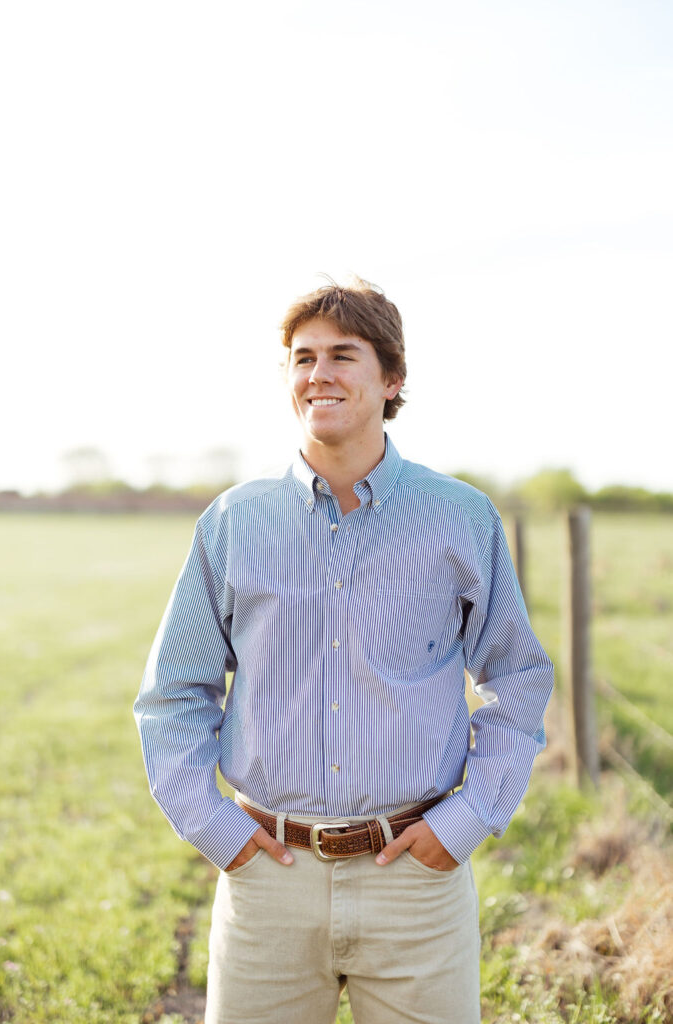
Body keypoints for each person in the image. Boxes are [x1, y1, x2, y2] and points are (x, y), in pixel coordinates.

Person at [133, 277, 554, 1024]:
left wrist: (466, 821)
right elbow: (173, 694)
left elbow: (516, 676)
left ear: (391, 379)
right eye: (301, 358)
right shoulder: (232, 522)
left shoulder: (460, 519)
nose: (317, 374)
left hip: (416, 883)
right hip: (267, 879)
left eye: (342, 355)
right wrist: (218, 831)